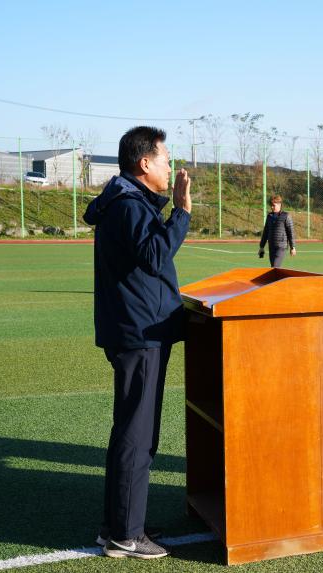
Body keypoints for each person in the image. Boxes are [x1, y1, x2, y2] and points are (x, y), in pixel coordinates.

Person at [83, 126, 191, 559]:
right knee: (136, 434)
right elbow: (154, 256)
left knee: (131, 430)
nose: (169, 166)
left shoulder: (125, 199)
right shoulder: (128, 204)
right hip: (139, 333)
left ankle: (121, 523)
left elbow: (147, 251)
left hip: (136, 329)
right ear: (144, 163)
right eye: (165, 158)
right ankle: (126, 535)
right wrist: (181, 210)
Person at [258, 195, 296, 268]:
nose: (272, 207)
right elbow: (265, 232)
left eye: (273, 205)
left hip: (281, 246)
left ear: (279, 204)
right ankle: (278, 279)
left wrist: (293, 247)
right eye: (271, 205)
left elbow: (291, 232)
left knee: (275, 266)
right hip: (271, 246)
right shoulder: (269, 216)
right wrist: (261, 247)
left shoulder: (286, 216)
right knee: (274, 268)